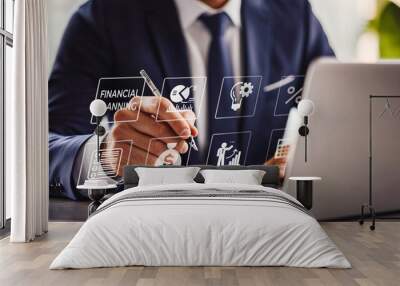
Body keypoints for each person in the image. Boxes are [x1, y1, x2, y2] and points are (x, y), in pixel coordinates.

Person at [49, 0, 334, 200]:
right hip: (153, 226)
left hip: (260, 221)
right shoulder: (104, 18)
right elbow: (44, 150)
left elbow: (341, 120)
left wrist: (303, 157)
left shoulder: (294, 15)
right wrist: (105, 157)